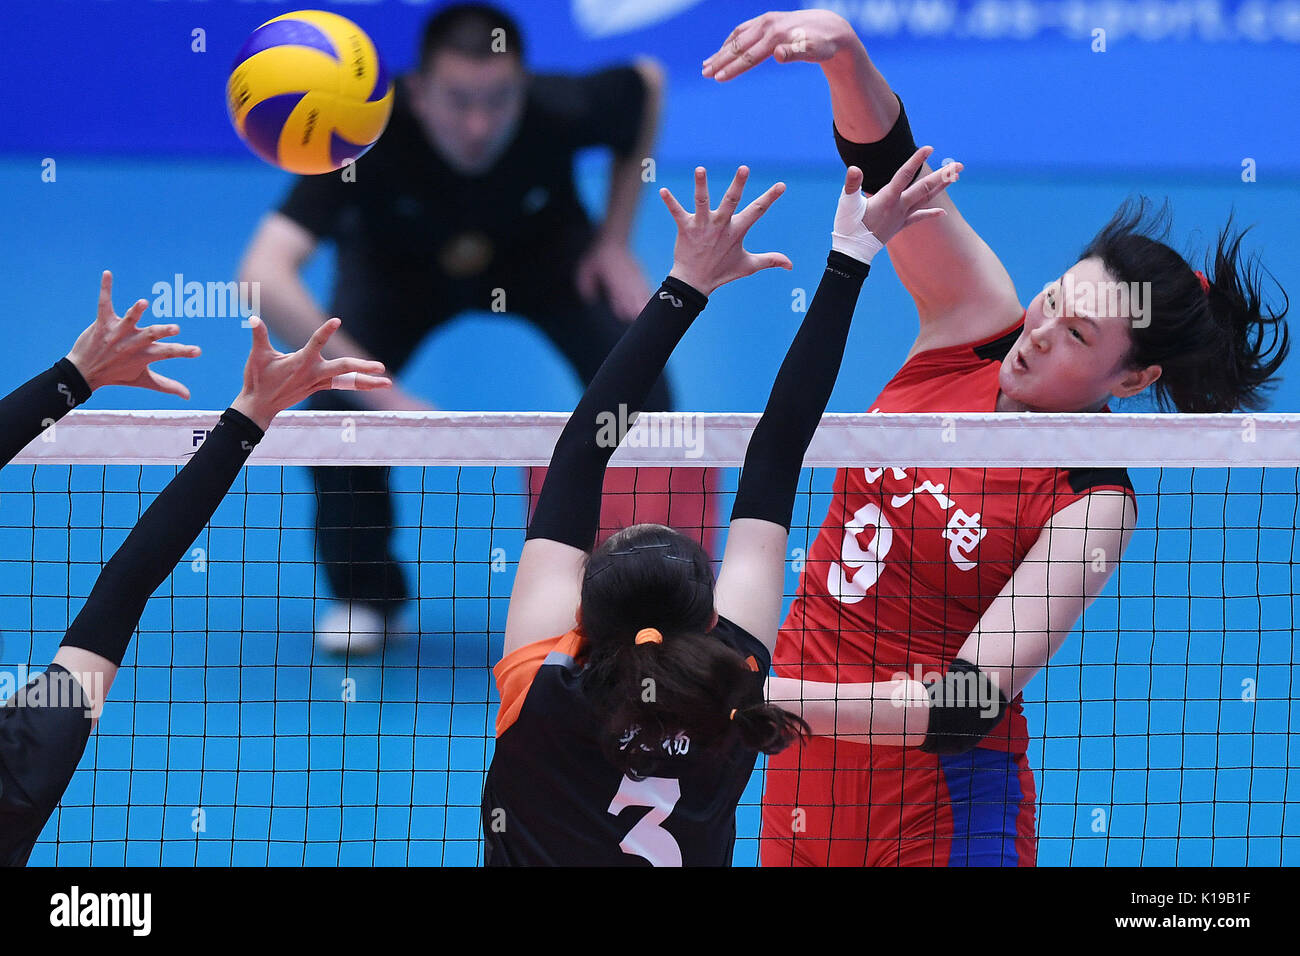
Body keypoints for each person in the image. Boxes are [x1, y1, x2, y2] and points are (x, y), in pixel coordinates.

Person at [703, 9, 1290, 866]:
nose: (1042, 331)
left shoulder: (1091, 499)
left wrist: (760, 693)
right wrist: (843, 54)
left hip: (940, 809)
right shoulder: (974, 326)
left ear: (1132, 382)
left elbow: (966, 706)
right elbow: (887, 171)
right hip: (804, 779)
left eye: (1080, 337)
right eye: (1056, 298)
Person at [481, 149, 958, 865]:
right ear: (704, 615)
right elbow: (775, 452)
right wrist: (849, 257)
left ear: (580, 613)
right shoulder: (733, 689)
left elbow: (584, 448)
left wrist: (687, 282)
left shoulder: (542, 685)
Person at [238, 2, 713, 656]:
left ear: (523, 86)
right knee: (333, 407)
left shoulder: (559, 109)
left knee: (642, 388)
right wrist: (387, 398)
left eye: (498, 100)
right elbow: (261, 272)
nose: (479, 124)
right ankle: (363, 591)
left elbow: (648, 82)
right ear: (418, 90)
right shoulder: (365, 136)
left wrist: (613, 240)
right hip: (397, 275)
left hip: (542, 259)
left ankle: (638, 587)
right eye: (458, 100)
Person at [0, 273, 388, 865]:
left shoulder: (28, 755)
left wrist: (71, 379)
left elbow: (125, 585)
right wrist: (249, 416)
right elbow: (126, 583)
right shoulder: (22, 762)